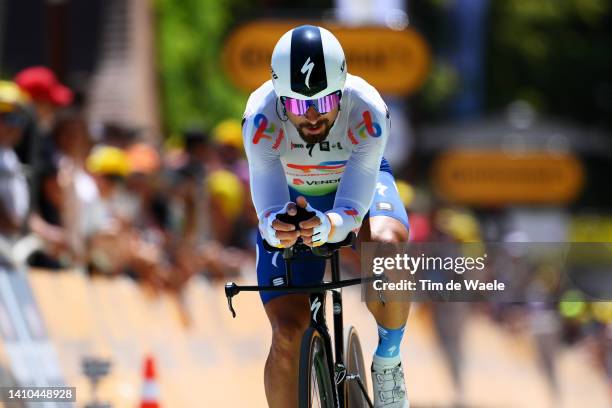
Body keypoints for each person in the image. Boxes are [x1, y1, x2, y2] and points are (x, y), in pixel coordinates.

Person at [242, 25, 410, 407]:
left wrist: (330, 225)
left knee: (386, 246)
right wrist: (276, 227)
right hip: (292, 194)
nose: (314, 116)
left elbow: (353, 208)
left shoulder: (367, 109)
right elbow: (267, 208)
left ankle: (388, 360)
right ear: (282, 101)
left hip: (353, 182)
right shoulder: (260, 118)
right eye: (300, 106)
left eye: (325, 101)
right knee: (287, 333)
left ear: (342, 88)